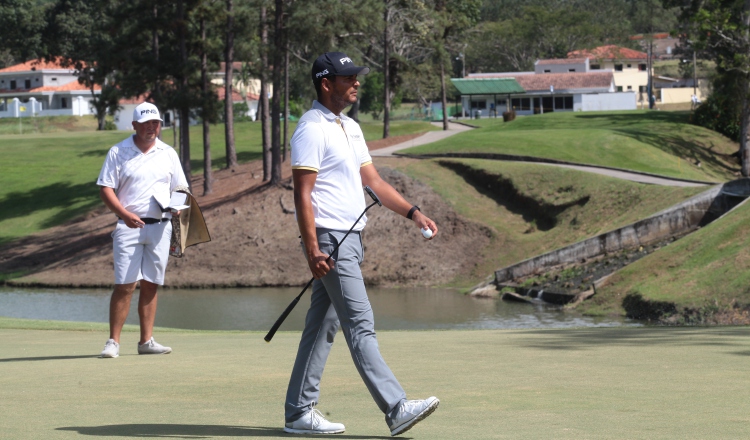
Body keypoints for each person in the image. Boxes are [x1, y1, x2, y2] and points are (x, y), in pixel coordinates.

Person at [284, 51, 440, 436]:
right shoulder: (311, 128)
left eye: (356, 76)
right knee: (360, 323)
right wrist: (312, 250)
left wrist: (413, 212)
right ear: (326, 83)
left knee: (322, 326)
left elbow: (375, 182)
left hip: (351, 238)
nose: (356, 82)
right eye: (348, 77)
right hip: (330, 241)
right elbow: (302, 195)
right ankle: (396, 407)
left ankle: (298, 413)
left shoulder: (350, 127)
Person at [97, 102, 188, 358]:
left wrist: (178, 208)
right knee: (125, 284)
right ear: (134, 125)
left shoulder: (168, 152)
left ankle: (146, 341)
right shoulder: (118, 151)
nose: (151, 128)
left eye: (155, 123)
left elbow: (180, 189)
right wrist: (124, 214)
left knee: (151, 284)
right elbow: (106, 188)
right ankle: (113, 342)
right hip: (128, 227)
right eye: (146, 124)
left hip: (160, 227)